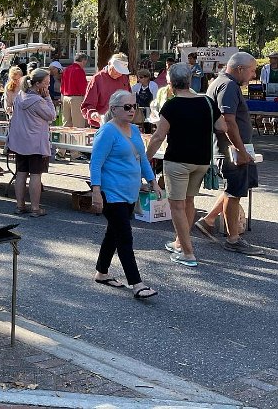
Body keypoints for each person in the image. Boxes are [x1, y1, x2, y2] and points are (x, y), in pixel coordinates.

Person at [146, 63, 226, 267]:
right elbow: (222, 126)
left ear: (171, 84)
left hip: (178, 160)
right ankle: (180, 243)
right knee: (189, 202)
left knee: (177, 206)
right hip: (201, 161)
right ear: (190, 81)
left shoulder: (172, 105)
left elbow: (158, 136)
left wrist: (146, 158)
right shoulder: (207, 102)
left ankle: (188, 252)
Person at [90, 89, 160, 299]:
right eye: (127, 107)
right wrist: (95, 192)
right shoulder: (107, 132)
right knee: (124, 237)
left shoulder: (135, 130)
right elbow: (96, 163)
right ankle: (136, 283)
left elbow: (142, 159)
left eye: (134, 106)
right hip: (112, 193)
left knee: (113, 233)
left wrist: (152, 181)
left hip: (130, 192)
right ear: (113, 109)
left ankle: (101, 273)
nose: (132, 111)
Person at [194, 52, 263, 255]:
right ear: (239, 69)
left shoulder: (221, 83)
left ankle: (207, 221)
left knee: (234, 189)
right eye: (252, 71)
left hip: (232, 149)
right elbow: (228, 121)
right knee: (234, 194)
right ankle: (233, 239)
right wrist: (240, 150)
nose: (253, 75)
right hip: (231, 151)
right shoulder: (228, 85)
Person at [6, 69, 56, 216]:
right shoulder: (38, 101)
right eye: (46, 83)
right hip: (35, 143)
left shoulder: (20, 96)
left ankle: (20, 205)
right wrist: (47, 98)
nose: (48, 86)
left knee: (20, 173)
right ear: (38, 84)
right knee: (35, 175)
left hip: (20, 142)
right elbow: (51, 115)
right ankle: (35, 208)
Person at [81, 52, 131, 128]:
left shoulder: (124, 78)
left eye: (121, 71)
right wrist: (92, 113)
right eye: (115, 69)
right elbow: (88, 104)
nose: (118, 73)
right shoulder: (98, 79)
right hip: (101, 125)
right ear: (109, 63)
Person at [60, 53, 89, 129]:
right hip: (77, 98)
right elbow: (83, 87)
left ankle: (65, 140)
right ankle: (78, 141)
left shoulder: (66, 69)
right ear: (83, 60)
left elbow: (62, 85)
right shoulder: (79, 70)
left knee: (66, 123)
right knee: (78, 124)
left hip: (65, 97)